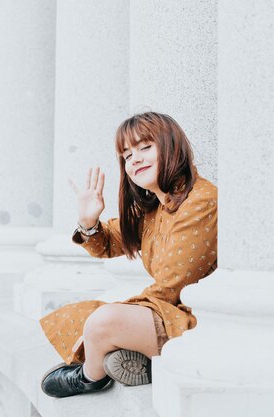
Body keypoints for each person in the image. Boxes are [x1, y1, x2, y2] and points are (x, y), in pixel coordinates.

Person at [40, 112, 218, 398]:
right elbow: (108, 243)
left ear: (172, 146)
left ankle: (91, 376)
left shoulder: (201, 201)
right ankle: (124, 355)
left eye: (145, 147)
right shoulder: (154, 206)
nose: (134, 159)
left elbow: (172, 286)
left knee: (102, 321)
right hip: (169, 312)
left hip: (200, 322)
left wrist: (117, 317)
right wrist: (88, 223)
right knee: (92, 317)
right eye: (126, 154)